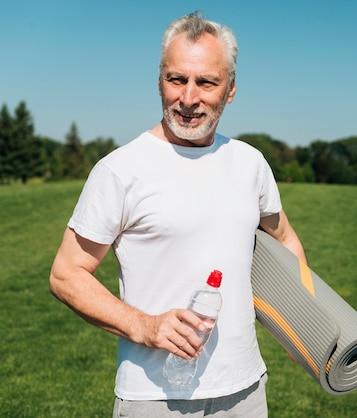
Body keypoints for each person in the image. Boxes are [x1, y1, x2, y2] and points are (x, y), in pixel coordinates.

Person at [49, 12, 306, 418]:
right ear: (159, 82)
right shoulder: (120, 170)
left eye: (206, 82)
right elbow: (66, 274)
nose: (188, 98)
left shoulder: (250, 163)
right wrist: (144, 326)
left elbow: (285, 240)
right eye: (176, 79)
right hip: (154, 398)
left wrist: (301, 326)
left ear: (231, 90)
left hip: (246, 391)